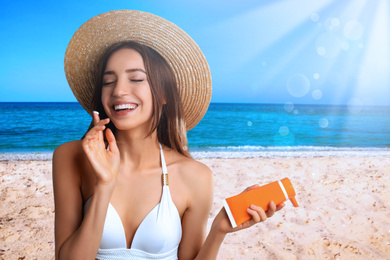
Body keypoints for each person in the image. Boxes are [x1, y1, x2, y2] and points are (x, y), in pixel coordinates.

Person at [53, 10, 285, 260]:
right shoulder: (70, 158)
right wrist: (104, 186)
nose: (119, 90)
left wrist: (218, 230)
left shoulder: (195, 176)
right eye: (109, 82)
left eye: (136, 78)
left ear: (163, 95)